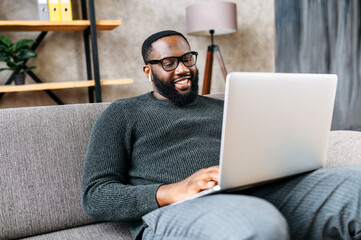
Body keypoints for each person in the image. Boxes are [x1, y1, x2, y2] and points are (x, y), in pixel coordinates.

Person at [81, 30, 361, 240]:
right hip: (178, 209)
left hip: (253, 190)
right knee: (256, 225)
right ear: (148, 70)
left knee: (356, 185)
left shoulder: (227, 105)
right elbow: (95, 196)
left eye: (187, 58)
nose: (182, 69)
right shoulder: (122, 113)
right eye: (168, 62)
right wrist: (174, 190)